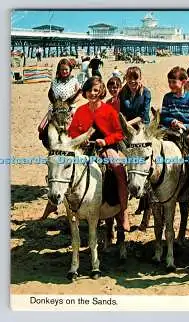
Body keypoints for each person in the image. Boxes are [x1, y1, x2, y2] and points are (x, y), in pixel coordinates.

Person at [67, 77, 130, 231]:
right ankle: (67, 206)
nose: (92, 93)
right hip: (85, 148)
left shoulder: (109, 110)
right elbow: (72, 132)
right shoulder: (81, 111)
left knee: (118, 169)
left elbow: (119, 133)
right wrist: (80, 140)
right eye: (89, 90)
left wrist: (106, 141)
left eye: (95, 90)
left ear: (101, 91)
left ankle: (124, 211)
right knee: (64, 168)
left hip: (106, 147)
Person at [38, 58, 82, 219]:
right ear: (59, 70)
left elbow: (79, 93)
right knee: (42, 129)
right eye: (62, 69)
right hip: (55, 109)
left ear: (70, 70)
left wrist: (69, 102)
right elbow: (51, 94)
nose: (65, 72)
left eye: (67, 70)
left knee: (74, 131)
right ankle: (52, 150)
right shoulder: (54, 81)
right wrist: (57, 104)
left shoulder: (74, 81)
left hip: (70, 109)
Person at [159, 66, 189, 132]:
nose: (171, 85)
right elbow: (163, 117)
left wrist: (184, 126)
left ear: (183, 82)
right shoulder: (167, 98)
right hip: (170, 130)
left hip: (187, 132)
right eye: (169, 82)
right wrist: (172, 121)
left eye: (174, 82)